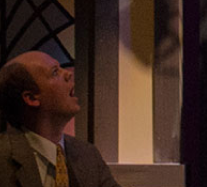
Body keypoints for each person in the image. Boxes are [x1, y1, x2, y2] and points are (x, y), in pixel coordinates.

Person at [0, 50, 120, 187]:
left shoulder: (88, 155)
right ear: (31, 98)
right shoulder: (3, 159)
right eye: (55, 72)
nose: (68, 74)